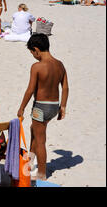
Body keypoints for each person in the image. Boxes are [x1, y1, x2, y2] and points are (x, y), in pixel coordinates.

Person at [17, 34, 69, 180]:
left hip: (40, 107)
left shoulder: (37, 66)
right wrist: (62, 107)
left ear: (36, 49)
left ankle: (41, 174)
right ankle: (29, 163)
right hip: (54, 106)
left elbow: (30, 89)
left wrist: (21, 108)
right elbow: (65, 87)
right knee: (34, 130)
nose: (33, 56)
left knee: (40, 140)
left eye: (32, 53)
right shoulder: (60, 64)